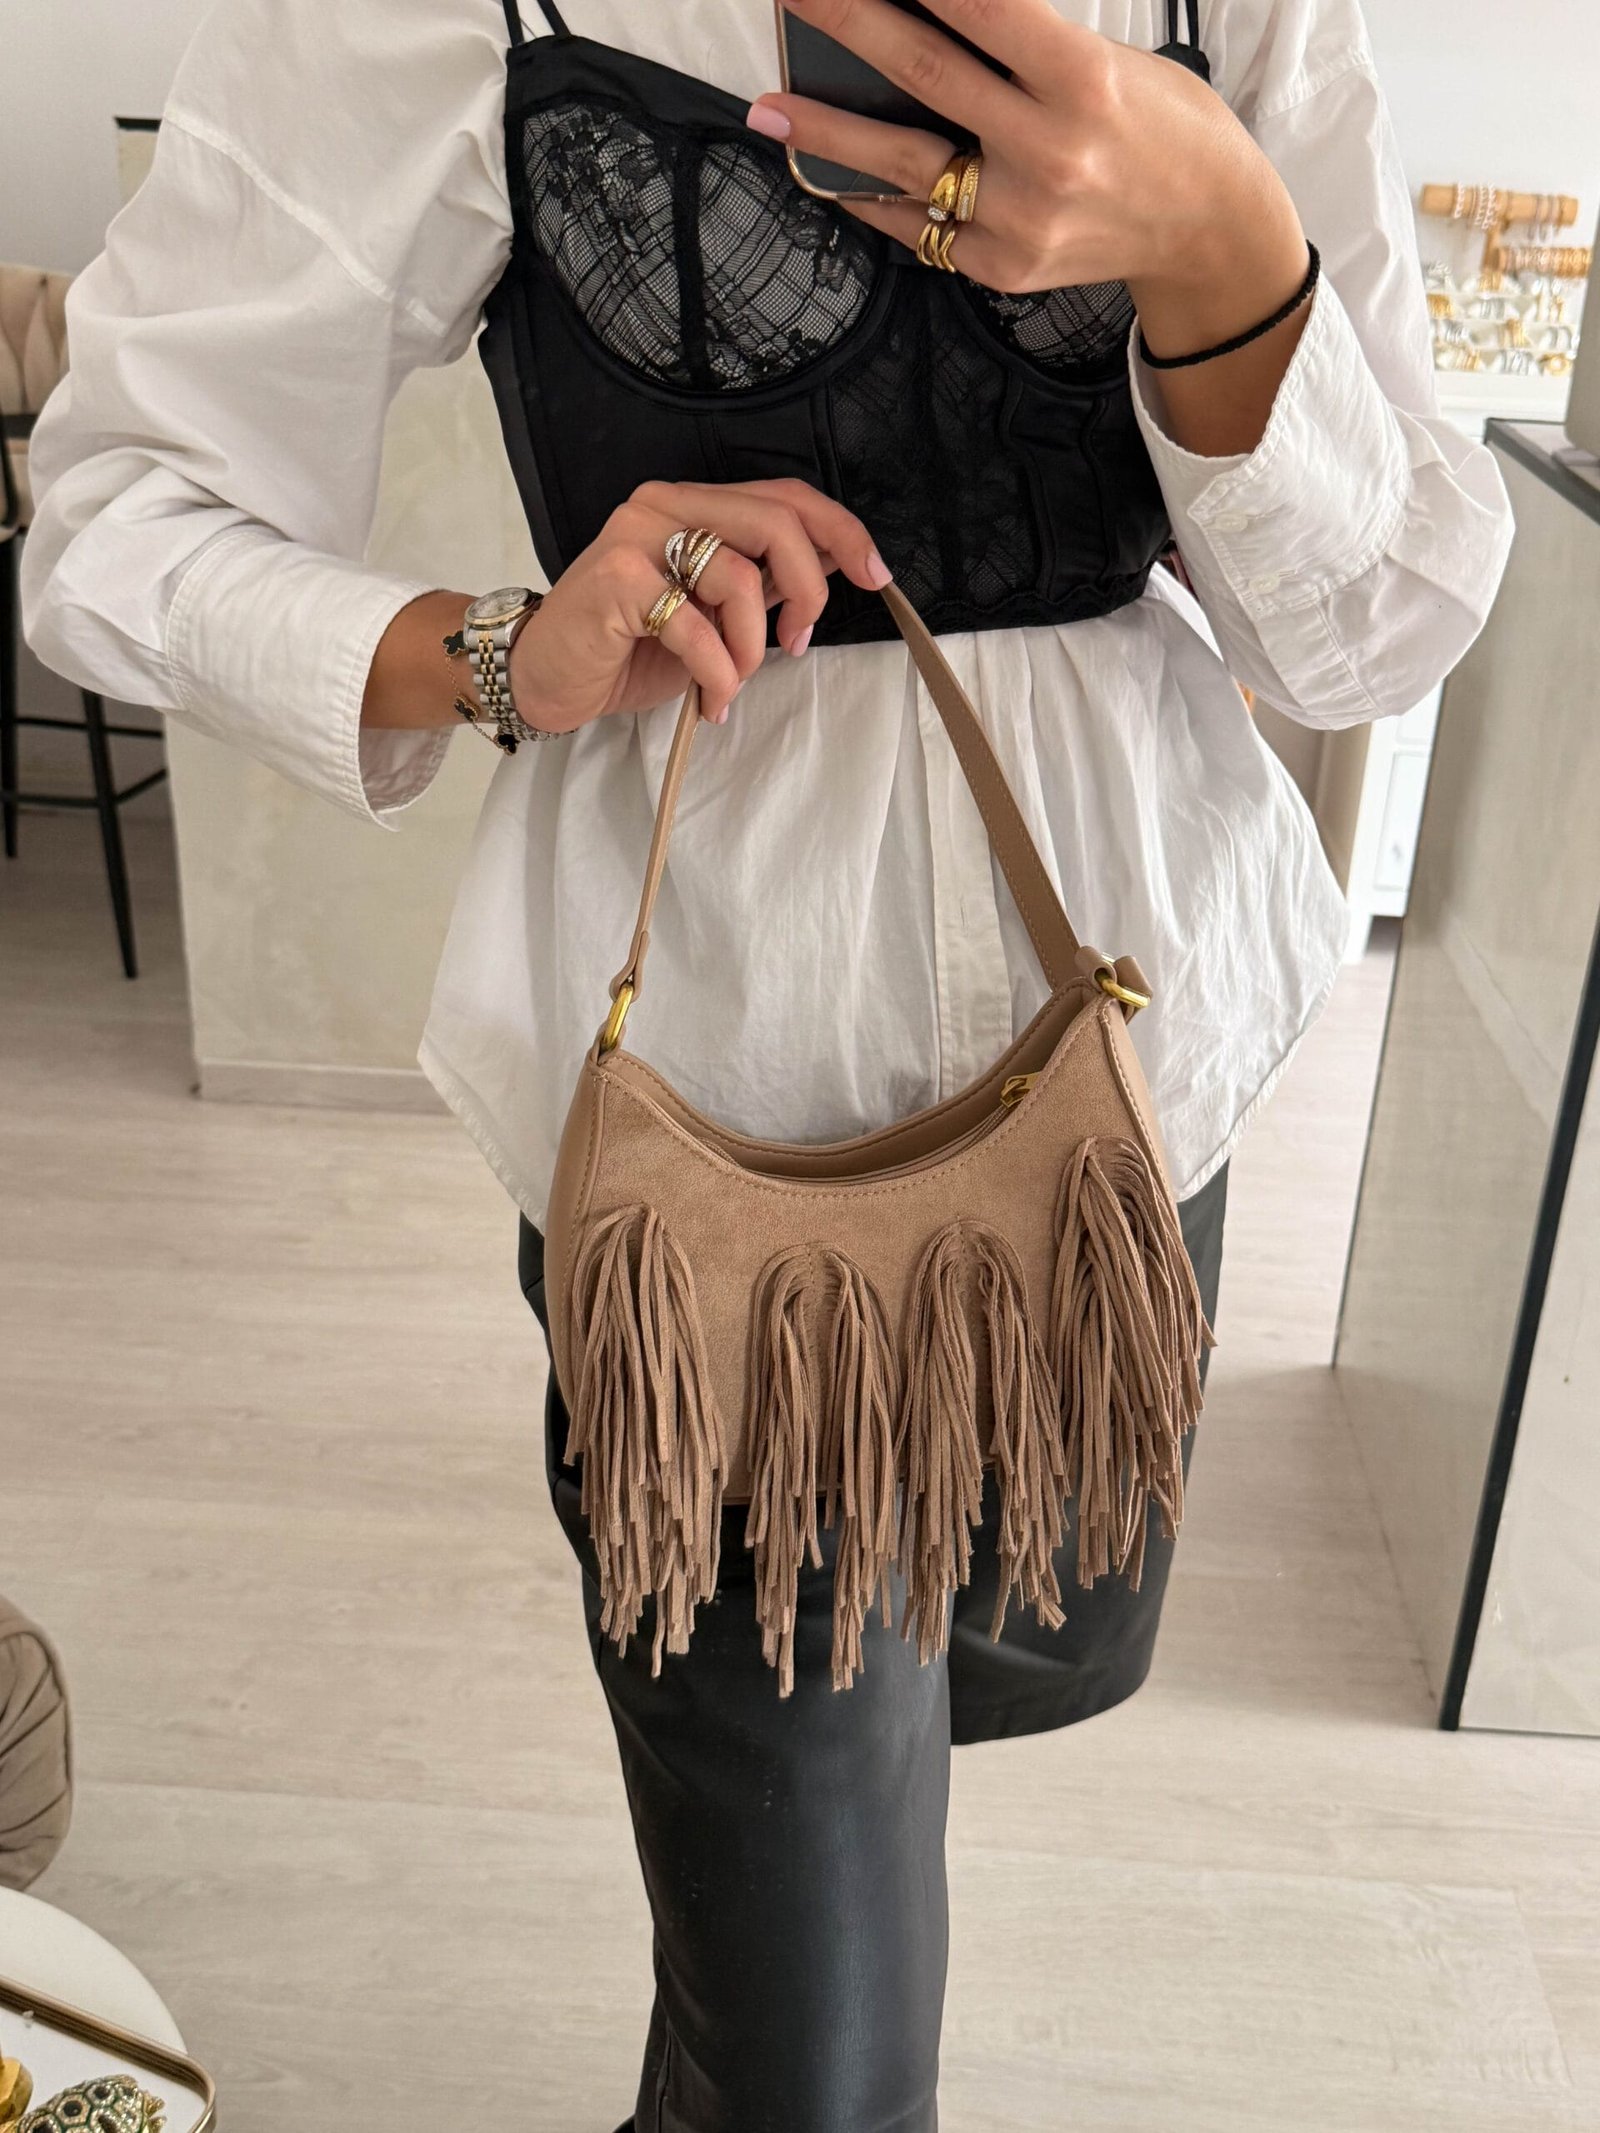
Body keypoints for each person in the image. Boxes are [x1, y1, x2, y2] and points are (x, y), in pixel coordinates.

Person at [24, 1, 1513, 2126]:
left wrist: (1214, 236)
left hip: (1127, 1065)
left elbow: (1368, 633)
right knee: (818, 2050)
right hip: (707, 1129)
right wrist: (499, 650)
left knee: (1000, 1682)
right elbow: (114, 513)